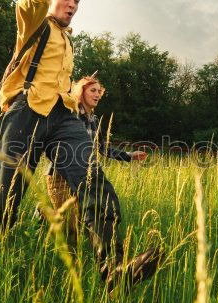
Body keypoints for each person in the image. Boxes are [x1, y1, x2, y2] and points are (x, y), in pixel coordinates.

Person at [0, 0, 161, 289]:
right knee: (6, 197)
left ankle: (113, 271)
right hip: (26, 112)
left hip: (63, 118)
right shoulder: (35, 23)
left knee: (94, 182)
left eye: (77, 2)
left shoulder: (68, 40)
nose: (72, 5)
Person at [45, 75, 147, 231]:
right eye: (93, 90)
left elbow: (102, 148)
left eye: (99, 91)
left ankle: (44, 214)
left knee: (83, 224)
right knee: (70, 229)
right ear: (81, 92)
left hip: (84, 179)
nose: (98, 94)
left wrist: (129, 156)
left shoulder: (94, 120)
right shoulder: (70, 115)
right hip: (61, 178)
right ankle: (43, 214)